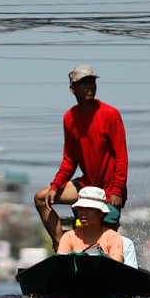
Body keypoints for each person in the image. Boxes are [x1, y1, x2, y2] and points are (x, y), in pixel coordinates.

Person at [34, 64, 128, 250]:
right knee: (41, 198)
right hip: (85, 187)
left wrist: (118, 189)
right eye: (83, 83)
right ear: (72, 89)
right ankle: (61, 246)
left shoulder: (110, 114)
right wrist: (55, 185)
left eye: (92, 82)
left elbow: (121, 155)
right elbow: (69, 159)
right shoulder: (69, 117)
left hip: (109, 191)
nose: (89, 86)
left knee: (100, 247)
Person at [57, 187, 124, 262]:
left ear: (101, 213)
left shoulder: (112, 237)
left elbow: (117, 267)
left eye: (89, 208)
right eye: (80, 208)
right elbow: (60, 265)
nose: (83, 212)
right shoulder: (69, 237)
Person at [102, 204, 138, 269]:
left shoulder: (126, 243)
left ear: (117, 226)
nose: (107, 228)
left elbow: (131, 272)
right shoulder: (86, 239)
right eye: (104, 224)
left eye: (110, 225)